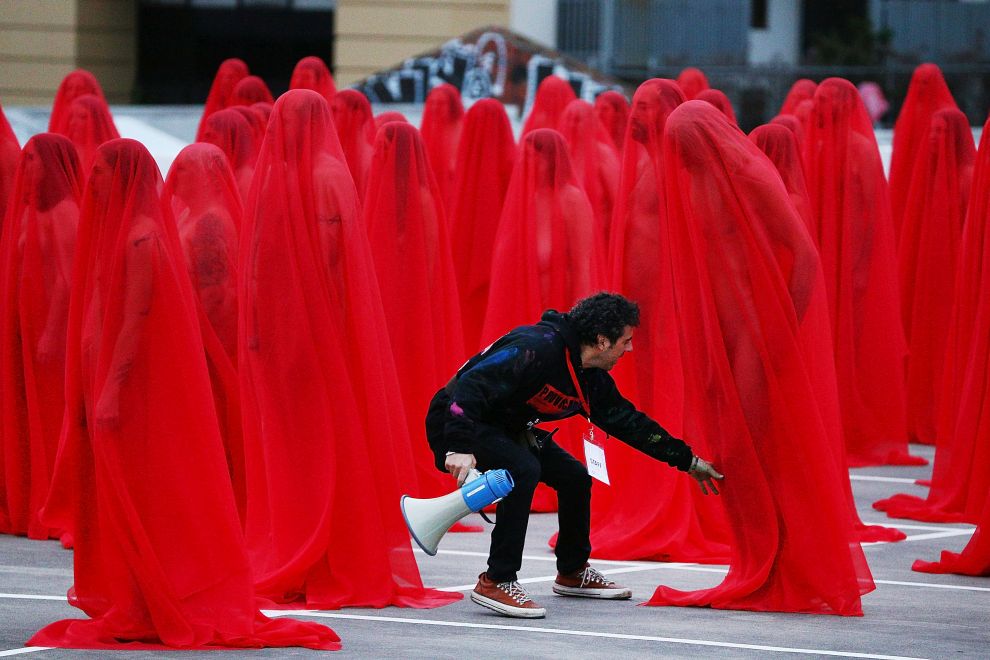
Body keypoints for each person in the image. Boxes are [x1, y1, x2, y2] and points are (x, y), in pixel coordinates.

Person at [425, 292, 723, 618]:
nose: (630, 348)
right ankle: (497, 579)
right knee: (523, 468)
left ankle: (572, 570)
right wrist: (458, 447)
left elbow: (629, 423)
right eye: (626, 341)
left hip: (505, 427)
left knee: (575, 478)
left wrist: (687, 460)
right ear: (601, 340)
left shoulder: (589, 378)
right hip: (458, 420)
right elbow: (469, 386)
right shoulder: (535, 348)